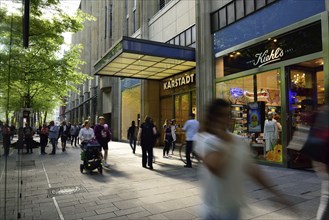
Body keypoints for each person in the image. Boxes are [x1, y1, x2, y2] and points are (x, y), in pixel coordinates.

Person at [193, 99, 293, 220]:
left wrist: (276, 193)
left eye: (228, 115)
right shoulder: (205, 139)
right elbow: (217, 168)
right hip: (211, 210)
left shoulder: (238, 141)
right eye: (221, 115)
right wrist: (228, 142)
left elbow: (253, 170)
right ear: (212, 118)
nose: (226, 119)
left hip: (232, 209)